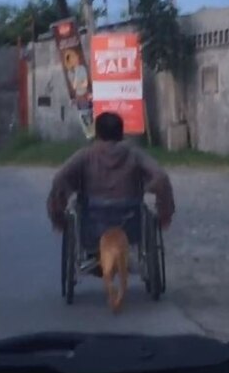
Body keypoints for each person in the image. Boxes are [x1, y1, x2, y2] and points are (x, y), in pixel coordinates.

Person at [47, 112, 175, 270]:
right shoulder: (134, 154)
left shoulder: (86, 155)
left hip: (93, 227)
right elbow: (160, 177)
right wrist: (162, 209)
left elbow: (60, 179)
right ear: (121, 133)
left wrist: (58, 215)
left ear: (97, 133)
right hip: (130, 227)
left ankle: (95, 256)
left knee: (77, 206)